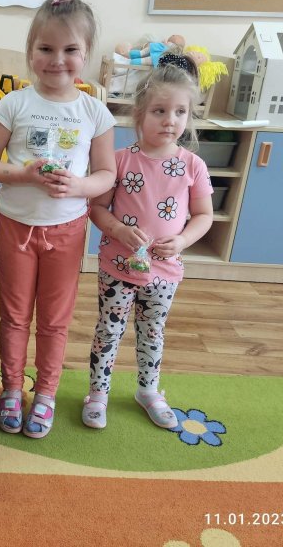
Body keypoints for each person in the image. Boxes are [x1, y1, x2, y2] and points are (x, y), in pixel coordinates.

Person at [0, 0, 116, 439]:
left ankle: (47, 393)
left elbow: (106, 174)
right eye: (46, 48)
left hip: (68, 230)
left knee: (55, 319)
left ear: (86, 53)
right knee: (14, 315)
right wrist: (23, 174)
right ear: (31, 50)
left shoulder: (94, 112)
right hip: (15, 227)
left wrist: (79, 186)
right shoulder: (13, 104)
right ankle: (13, 388)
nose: (57, 60)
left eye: (70, 49)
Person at [82, 60, 214, 431]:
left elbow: (204, 215)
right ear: (140, 113)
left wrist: (183, 239)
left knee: (153, 330)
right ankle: (97, 394)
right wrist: (118, 230)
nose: (170, 120)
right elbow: (97, 208)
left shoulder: (193, 165)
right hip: (117, 267)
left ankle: (148, 391)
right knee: (109, 330)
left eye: (180, 112)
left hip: (165, 271)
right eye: (159, 111)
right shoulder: (120, 161)